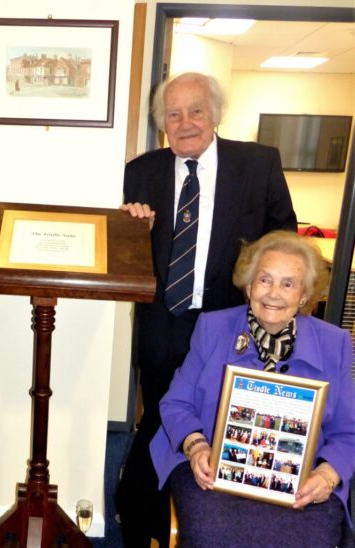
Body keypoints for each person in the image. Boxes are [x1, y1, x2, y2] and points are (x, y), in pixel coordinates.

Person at [116, 72, 298, 546]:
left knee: (220, 421)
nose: (185, 122)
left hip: (229, 325)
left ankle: (215, 520)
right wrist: (133, 228)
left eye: (196, 110)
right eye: (172, 115)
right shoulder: (142, 172)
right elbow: (124, 253)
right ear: (162, 125)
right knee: (159, 417)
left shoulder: (258, 164)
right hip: (163, 323)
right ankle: (146, 519)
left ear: (215, 114)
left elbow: (285, 240)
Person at [150, 230, 355, 546]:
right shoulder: (213, 327)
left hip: (302, 480)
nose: (274, 293)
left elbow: (349, 432)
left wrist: (327, 476)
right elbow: (176, 403)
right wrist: (196, 448)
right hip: (215, 473)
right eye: (265, 280)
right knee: (212, 535)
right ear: (248, 286)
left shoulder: (334, 344)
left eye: (288, 284)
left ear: (303, 295)